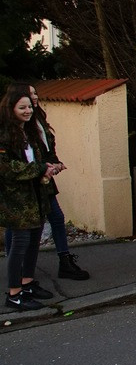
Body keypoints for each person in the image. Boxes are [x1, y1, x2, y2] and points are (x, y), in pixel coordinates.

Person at [4, 83, 89, 280]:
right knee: (19, 229)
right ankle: (17, 279)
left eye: (35, 94)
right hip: (27, 184)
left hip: (42, 179)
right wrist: (43, 168)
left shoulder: (37, 118)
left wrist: (53, 163)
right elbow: (15, 163)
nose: (34, 98)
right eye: (29, 94)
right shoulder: (13, 129)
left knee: (52, 221)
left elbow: (44, 148)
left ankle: (53, 265)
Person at [0, 84, 60, 310]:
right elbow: (6, 168)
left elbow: (37, 159)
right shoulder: (4, 133)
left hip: (35, 196)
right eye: (21, 107)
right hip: (16, 200)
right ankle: (14, 293)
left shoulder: (29, 131)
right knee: (20, 244)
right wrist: (39, 169)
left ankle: (26, 284)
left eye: (29, 107)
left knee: (34, 240)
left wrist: (48, 167)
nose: (27, 111)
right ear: (10, 107)